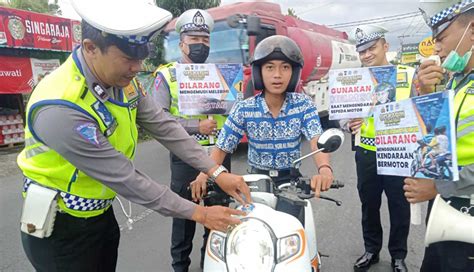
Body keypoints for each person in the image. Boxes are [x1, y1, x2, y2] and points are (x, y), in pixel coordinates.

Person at [16, 1, 251, 271]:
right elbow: (125, 177)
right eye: (129, 59)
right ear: (91, 48)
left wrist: (217, 171)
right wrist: (200, 213)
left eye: (141, 58)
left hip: (100, 213)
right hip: (61, 228)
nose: (138, 67)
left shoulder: (120, 80)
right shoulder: (60, 106)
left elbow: (164, 126)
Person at [190, 35, 334, 222]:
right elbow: (222, 147)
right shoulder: (244, 108)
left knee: (297, 233)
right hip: (255, 184)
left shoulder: (304, 104)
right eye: (269, 67)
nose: (277, 75)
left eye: (285, 67)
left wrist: (324, 169)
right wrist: (203, 174)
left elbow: (316, 140)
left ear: (294, 73)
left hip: (292, 182)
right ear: (259, 72)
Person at [150, 9, 230, 272]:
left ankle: (211, 264)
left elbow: (231, 112)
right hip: (185, 158)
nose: (200, 45)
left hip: (218, 155)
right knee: (184, 218)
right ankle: (180, 267)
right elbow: (157, 118)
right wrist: (196, 125)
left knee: (218, 214)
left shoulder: (217, 74)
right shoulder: (167, 76)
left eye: (205, 40)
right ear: (181, 42)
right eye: (194, 38)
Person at [404, 1, 474, 271]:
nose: (436, 48)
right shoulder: (457, 80)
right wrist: (424, 93)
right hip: (446, 212)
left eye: (442, 38)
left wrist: (437, 187)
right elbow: (433, 138)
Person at [342, 25, 416, 272]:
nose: (367, 55)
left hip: (397, 151)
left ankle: (398, 256)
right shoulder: (355, 81)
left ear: (386, 46)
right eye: (362, 51)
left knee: (399, 205)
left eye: (371, 48)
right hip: (366, 151)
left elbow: (419, 112)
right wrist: (348, 123)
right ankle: (371, 250)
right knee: (368, 204)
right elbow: (342, 117)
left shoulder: (408, 75)